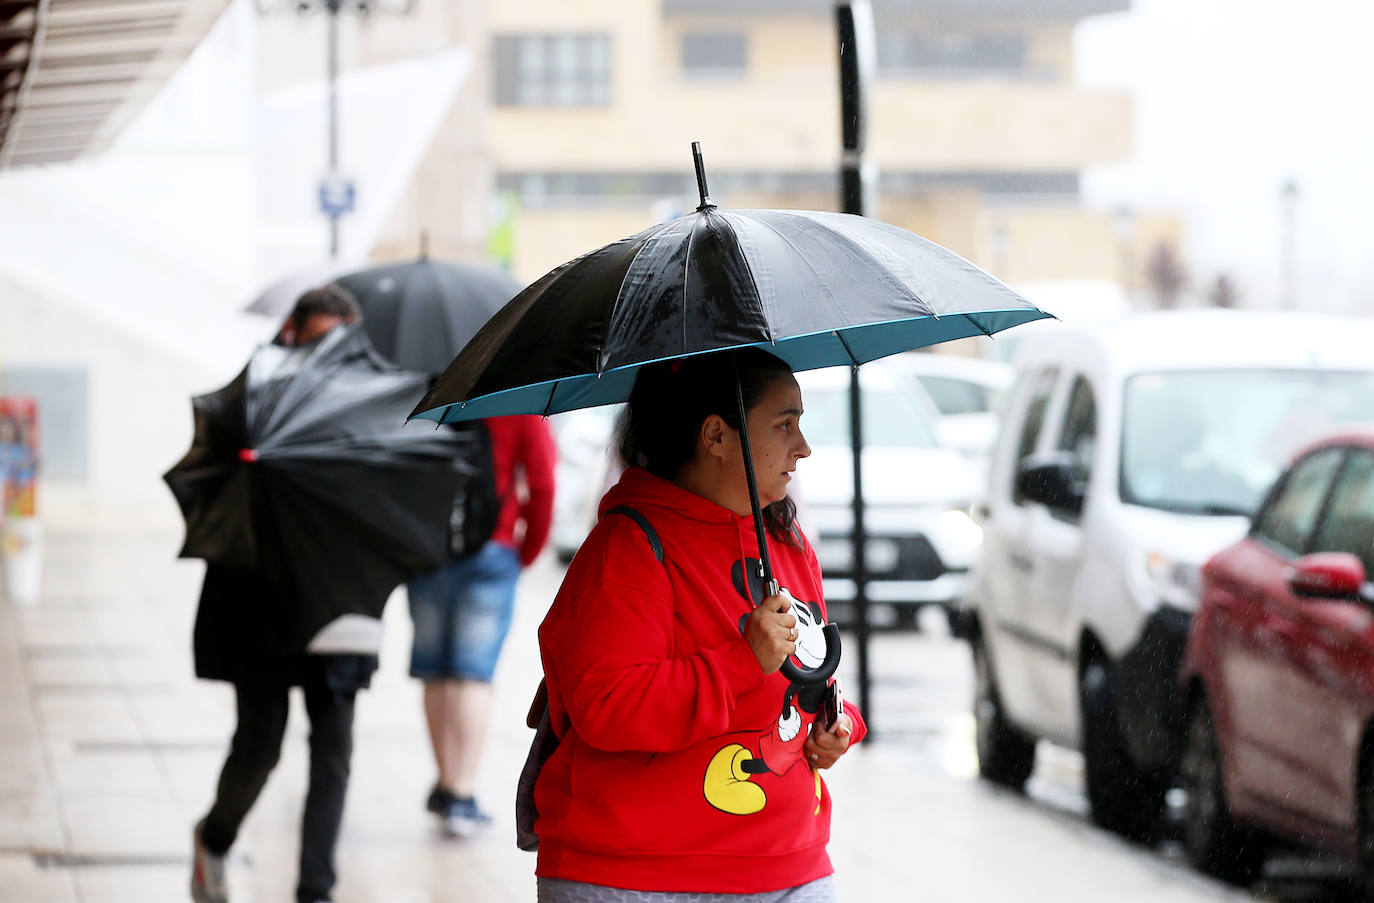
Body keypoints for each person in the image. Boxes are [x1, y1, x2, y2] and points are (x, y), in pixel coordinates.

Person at [532, 347, 866, 901]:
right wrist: (742, 661)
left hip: (790, 868)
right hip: (637, 875)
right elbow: (607, 707)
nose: (803, 448)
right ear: (715, 436)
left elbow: (808, 683)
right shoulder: (628, 547)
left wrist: (838, 725)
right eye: (785, 425)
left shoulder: (786, 543)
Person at [191, 285, 373, 903]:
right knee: (259, 747)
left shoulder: (371, 401)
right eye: (319, 339)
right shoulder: (251, 399)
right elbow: (215, 491)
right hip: (260, 605)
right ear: (291, 333)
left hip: (342, 602)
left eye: (341, 342)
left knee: (333, 755)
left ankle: (315, 890)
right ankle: (214, 839)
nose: (330, 354)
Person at [410, 412, 556, 835]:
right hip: (492, 552)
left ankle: (443, 781)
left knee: (436, 675)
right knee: (471, 676)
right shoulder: (518, 404)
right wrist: (522, 553)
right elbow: (543, 485)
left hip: (429, 550)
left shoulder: (430, 398)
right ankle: (462, 792)